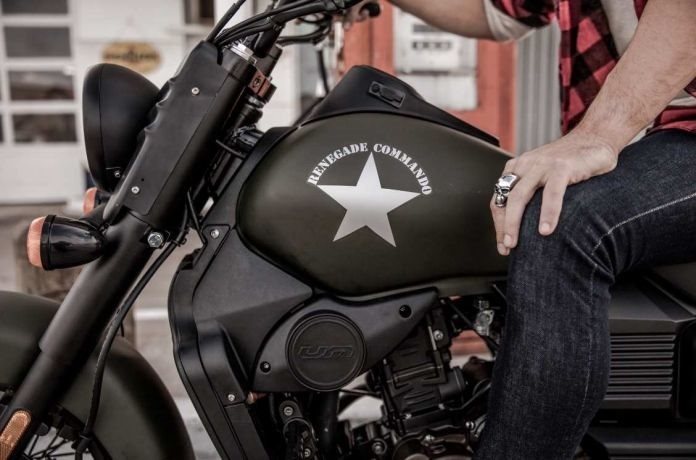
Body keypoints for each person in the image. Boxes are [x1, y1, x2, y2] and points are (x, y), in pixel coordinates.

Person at [346, 1, 696, 458]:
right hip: (658, 138)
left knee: (562, 221)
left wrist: (597, 135)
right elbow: (494, 12)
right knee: (502, 198)